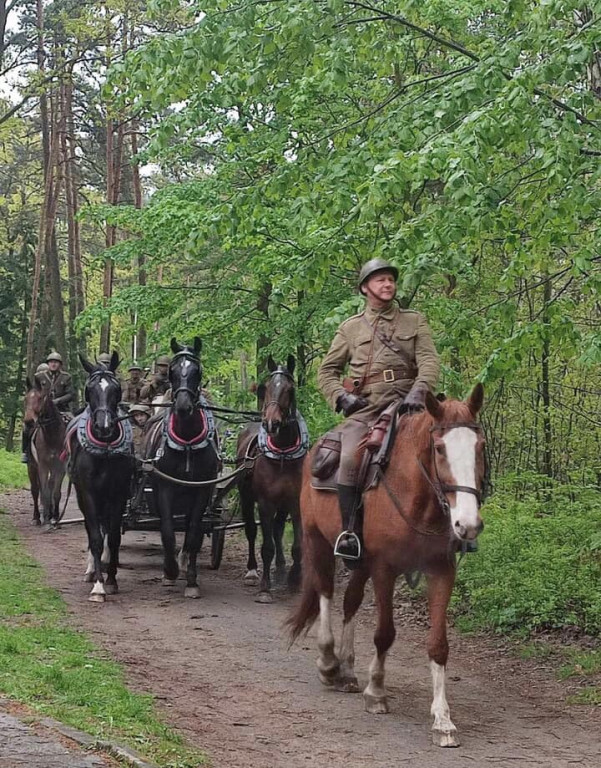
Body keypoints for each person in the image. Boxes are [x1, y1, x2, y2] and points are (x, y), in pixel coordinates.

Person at [317, 258, 440, 563]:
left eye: (391, 280)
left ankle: (454, 531)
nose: (388, 285)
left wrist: (419, 390)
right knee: (348, 457)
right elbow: (326, 371)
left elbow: (429, 361)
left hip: (411, 405)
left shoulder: (414, 321)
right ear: (365, 288)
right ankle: (349, 534)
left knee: (453, 445)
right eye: (380, 280)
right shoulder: (350, 328)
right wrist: (341, 398)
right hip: (368, 408)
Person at [21, 352, 76, 462]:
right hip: (42, 410)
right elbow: (35, 392)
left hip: (62, 410)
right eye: (51, 362)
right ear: (48, 364)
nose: (53, 364)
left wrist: (57, 401)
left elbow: (71, 394)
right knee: (27, 426)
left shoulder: (66, 377)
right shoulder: (39, 377)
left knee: (75, 425)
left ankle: (73, 454)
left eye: (56, 362)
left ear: (60, 364)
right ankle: (26, 452)